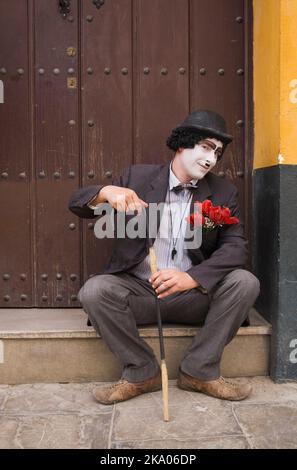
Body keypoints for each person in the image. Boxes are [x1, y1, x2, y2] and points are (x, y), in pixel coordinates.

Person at [68, 109, 260, 404]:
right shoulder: (138, 177)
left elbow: (236, 247)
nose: (211, 159)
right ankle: (142, 371)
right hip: (141, 294)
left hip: (195, 297)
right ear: (183, 144)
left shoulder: (223, 192)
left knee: (245, 282)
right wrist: (106, 192)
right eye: (206, 147)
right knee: (95, 291)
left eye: (218, 153)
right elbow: (78, 205)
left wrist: (192, 278)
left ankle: (200, 370)